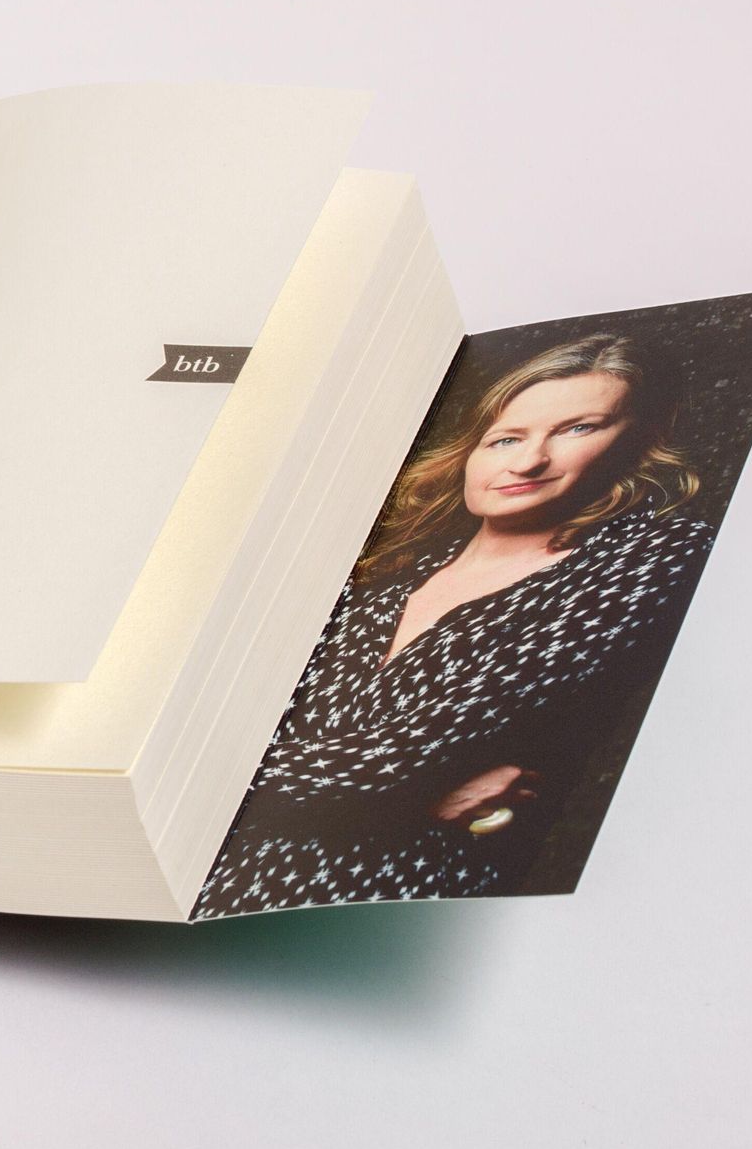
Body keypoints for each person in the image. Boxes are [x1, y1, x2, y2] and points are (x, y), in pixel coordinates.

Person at [195, 333, 713, 918]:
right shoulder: (389, 573)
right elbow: (236, 718)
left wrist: (200, 779)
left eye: (577, 429)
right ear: (472, 451)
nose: (528, 461)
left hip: (393, 901)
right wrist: (422, 798)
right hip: (227, 886)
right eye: (506, 438)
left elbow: (400, 760)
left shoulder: (650, 555)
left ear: (640, 440)